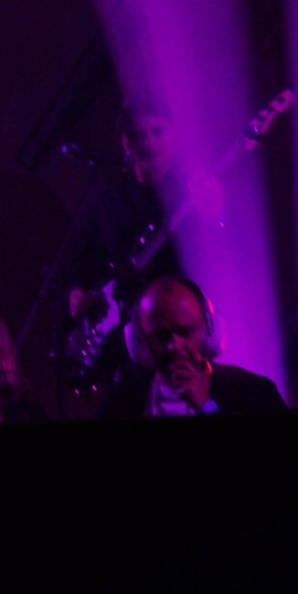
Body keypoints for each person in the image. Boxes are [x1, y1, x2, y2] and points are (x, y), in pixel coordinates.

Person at [48, 101, 222, 392]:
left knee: (198, 405)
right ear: (126, 142)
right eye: (140, 134)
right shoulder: (108, 204)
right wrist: (77, 294)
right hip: (124, 348)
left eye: (157, 131)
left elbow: (222, 257)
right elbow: (84, 265)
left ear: (174, 135)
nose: (150, 141)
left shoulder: (193, 193)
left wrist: (216, 216)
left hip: (180, 338)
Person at [98, 276, 287, 419]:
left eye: (184, 332)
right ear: (140, 340)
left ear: (210, 329)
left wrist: (206, 407)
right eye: (160, 335)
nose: (174, 346)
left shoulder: (254, 393)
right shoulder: (122, 398)